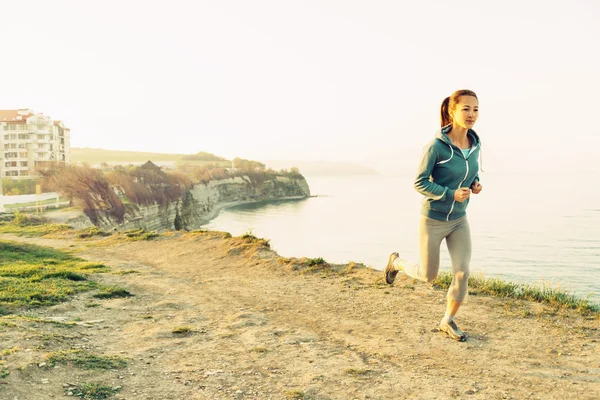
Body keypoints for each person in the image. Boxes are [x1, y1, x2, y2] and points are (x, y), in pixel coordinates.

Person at [384, 89, 483, 341]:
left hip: (459, 220)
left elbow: (470, 172)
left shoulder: (475, 144)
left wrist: (475, 184)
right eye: (466, 109)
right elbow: (419, 183)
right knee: (429, 275)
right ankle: (396, 263)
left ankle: (447, 321)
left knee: (462, 272)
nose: (471, 114)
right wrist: (450, 194)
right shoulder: (435, 147)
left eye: (475, 109)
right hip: (433, 219)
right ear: (452, 111)